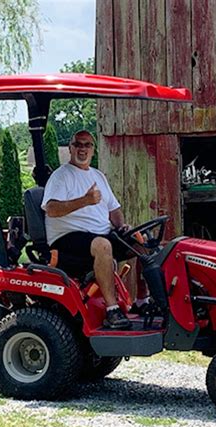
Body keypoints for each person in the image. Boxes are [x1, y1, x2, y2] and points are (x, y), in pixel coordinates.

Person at [41, 130, 149, 329]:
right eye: (78, 144)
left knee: (141, 241)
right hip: (67, 238)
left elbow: (114, 209)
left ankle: (143, 301)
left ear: (93, 150)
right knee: (103, 245)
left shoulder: (98, 176)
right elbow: (52, 209)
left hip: (100, 235)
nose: (82, 149)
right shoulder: (61, 176)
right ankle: (112, 310)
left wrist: (121, 226)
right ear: (70, 148)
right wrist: (85, 200)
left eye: (87, 145)